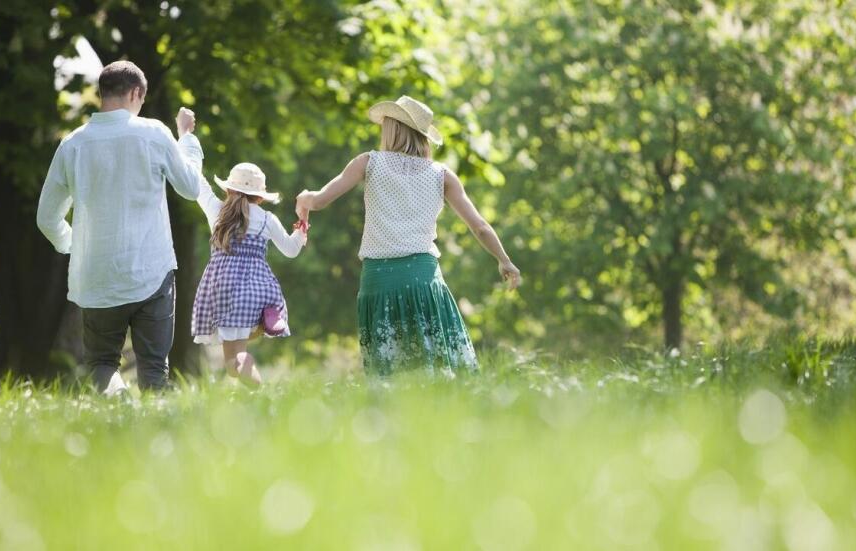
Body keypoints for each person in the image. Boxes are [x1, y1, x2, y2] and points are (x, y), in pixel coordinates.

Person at [295, 95, 521, 376]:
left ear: (392, 128)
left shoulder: (368, 163)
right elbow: (480, 227)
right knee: (436, 368)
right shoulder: (442, 175)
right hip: (423, 279)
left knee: (389, 374)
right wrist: (504, 260)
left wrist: (304, 200)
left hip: (379, 280)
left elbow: (319, 200)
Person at [36, 60, 205, 394]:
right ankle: (154, 438)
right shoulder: (154, 133)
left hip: (96, 276)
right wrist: (186, 138)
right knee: (155, 367)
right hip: (151, 271)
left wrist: (74, 244)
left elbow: (46, 218)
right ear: (136, 93)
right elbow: (190, 187)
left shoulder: (73, 144)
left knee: (101, 364)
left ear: (102, 94)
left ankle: (117, 412)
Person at [191, 162, 307, 386]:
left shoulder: (217, 212)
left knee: (233, 364)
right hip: (256, 292)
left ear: (228, 190)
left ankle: (259, 390)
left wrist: (186, 139)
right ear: (260, 197)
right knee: (237, 359)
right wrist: (302, 224)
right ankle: (268, 320)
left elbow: (199, 183)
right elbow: (291, 250)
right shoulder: (267, 219)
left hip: (223, 291)